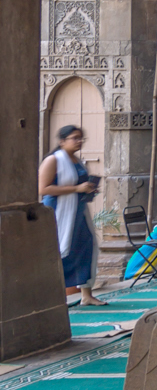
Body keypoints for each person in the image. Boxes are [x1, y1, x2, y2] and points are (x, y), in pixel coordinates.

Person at [38, 125, 101, 307]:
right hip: (59, 212)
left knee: (85, 247)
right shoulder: (53, 160)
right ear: (62, 141)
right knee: (60, 251)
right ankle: (53, 295)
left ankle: (86, 295)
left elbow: (80, 185)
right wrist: (76, 189)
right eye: (74, 138)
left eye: (81, 138)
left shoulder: (76, 160)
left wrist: (88, 189)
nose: (79, 141)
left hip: (78, 211)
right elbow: (43, 189)